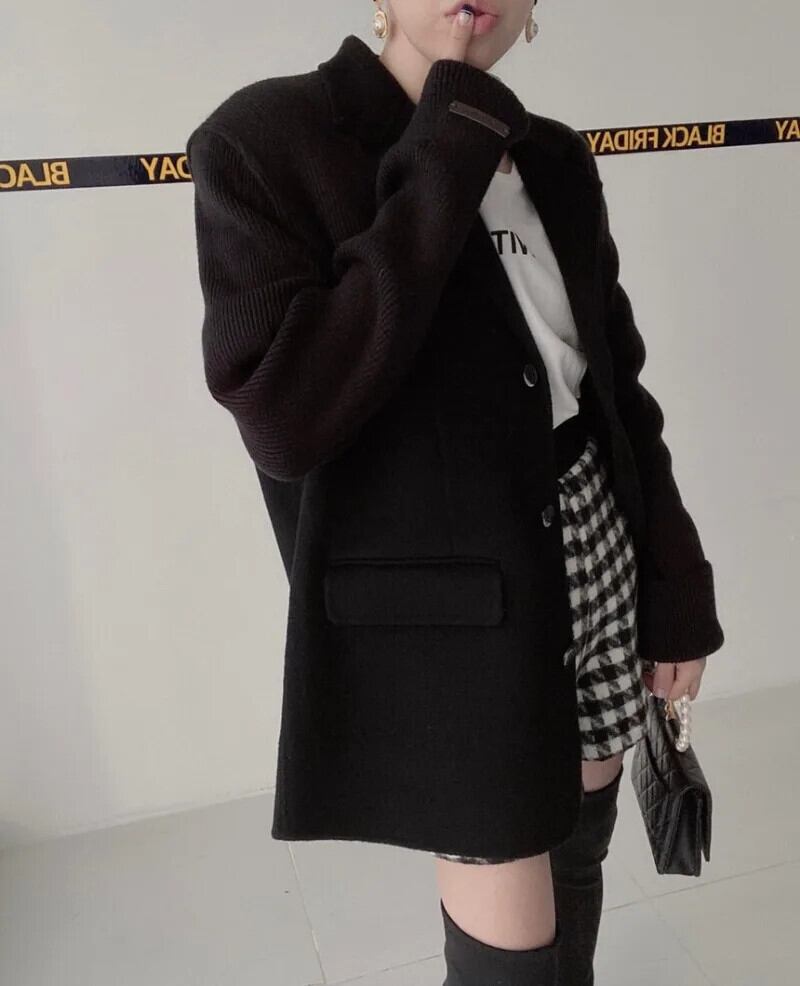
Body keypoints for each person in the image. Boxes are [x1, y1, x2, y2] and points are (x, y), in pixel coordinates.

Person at [186, 3, 725, 983]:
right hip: (449, 610)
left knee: (577, 846)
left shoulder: (553, 157)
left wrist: (675, 579)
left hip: (593, 542)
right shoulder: (263, 141)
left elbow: (615, 388)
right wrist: (450, 139)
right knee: (506, 947)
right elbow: (285, 416)